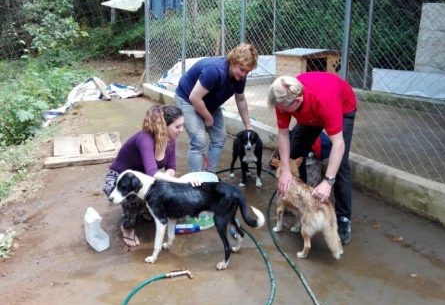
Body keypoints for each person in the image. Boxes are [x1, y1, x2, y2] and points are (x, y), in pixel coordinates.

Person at [267, 72, 357, 245]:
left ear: (297, 101)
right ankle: (302, 199)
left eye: (285, 110)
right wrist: (285, 169)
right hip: (310, 115)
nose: (281, 113)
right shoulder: (282, 99)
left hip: (342, 107)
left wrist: (327, 182)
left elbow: (338, 144)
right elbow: (283, 133)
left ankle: (344, 218)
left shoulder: (324, 100)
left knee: (339, 164)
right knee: (294, 154)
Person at [103, 104, 200, 247]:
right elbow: (153, 173)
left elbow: (171, 168)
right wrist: (183, 182)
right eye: (177, 126)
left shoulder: (170, 140)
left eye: (182, 126)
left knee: (165, 185)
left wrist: (170, 179)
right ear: (163, 126)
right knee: (133, 195)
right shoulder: (145, 139)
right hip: (119, 181)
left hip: (142, 179)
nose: (181, 130)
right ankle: (128, 227)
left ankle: (144, 207)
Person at [175, 43, 258, 173]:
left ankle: (209, 175)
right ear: (233, 61)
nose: (244, 74)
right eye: (242, 70)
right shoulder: (214, 71)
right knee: (199, 141)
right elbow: (194, 98)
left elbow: (240, 99)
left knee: (220, 136)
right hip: (188, 99)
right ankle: (195, 182)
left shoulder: (240, 77)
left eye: (247, 72)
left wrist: (248, 125)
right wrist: (207, 117)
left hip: (208, 101)